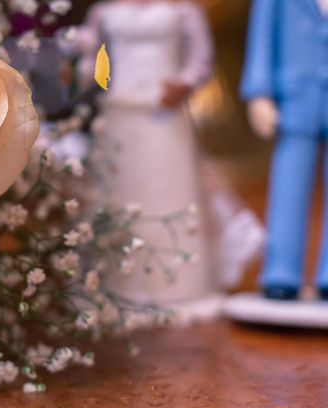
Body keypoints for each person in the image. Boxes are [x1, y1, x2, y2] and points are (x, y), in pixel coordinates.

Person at [76, 0, 224, 317]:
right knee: (120, 190)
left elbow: (202, 58)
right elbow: (90, 62)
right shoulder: (104, 11)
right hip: (120, 109)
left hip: (164, 112)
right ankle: (118, 282)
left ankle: (177, 281)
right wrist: (79, 72)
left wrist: (184, 83)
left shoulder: (183, 9)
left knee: (168, 190)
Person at [242, 0, 328, 301]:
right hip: (294, 96)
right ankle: (281, 272)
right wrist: (259, 92)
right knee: (288, 188)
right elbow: (262, 36)